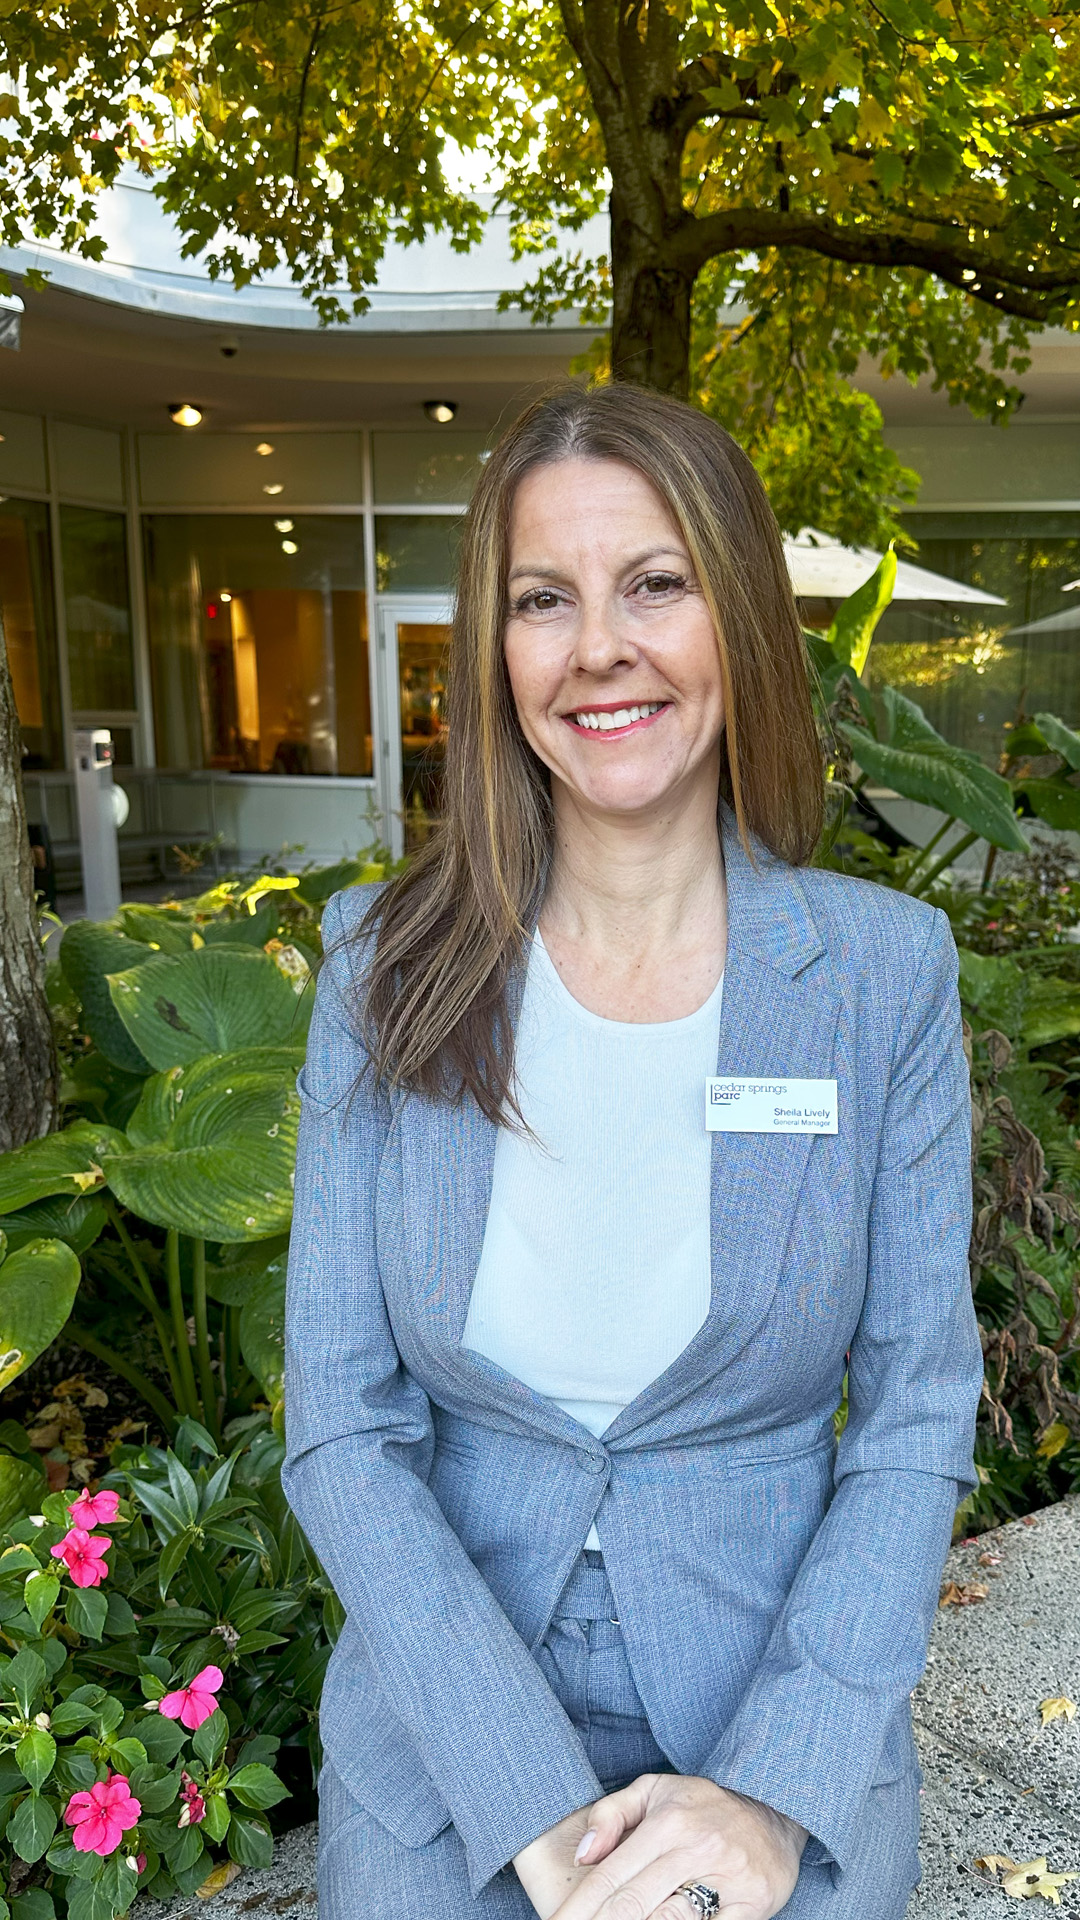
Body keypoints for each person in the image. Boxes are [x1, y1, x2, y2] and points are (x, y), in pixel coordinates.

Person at [281, 383, 983, 1920]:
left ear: (733, 612)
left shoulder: (881, 976)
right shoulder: (378, 967)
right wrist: (524, 1804)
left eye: (654, 584)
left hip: (773, 1721)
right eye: (546, 599)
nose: (600, 645)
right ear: (497, 649)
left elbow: (919, 1409)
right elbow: (341, 1421)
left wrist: (776, 1793)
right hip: (445, 1725)